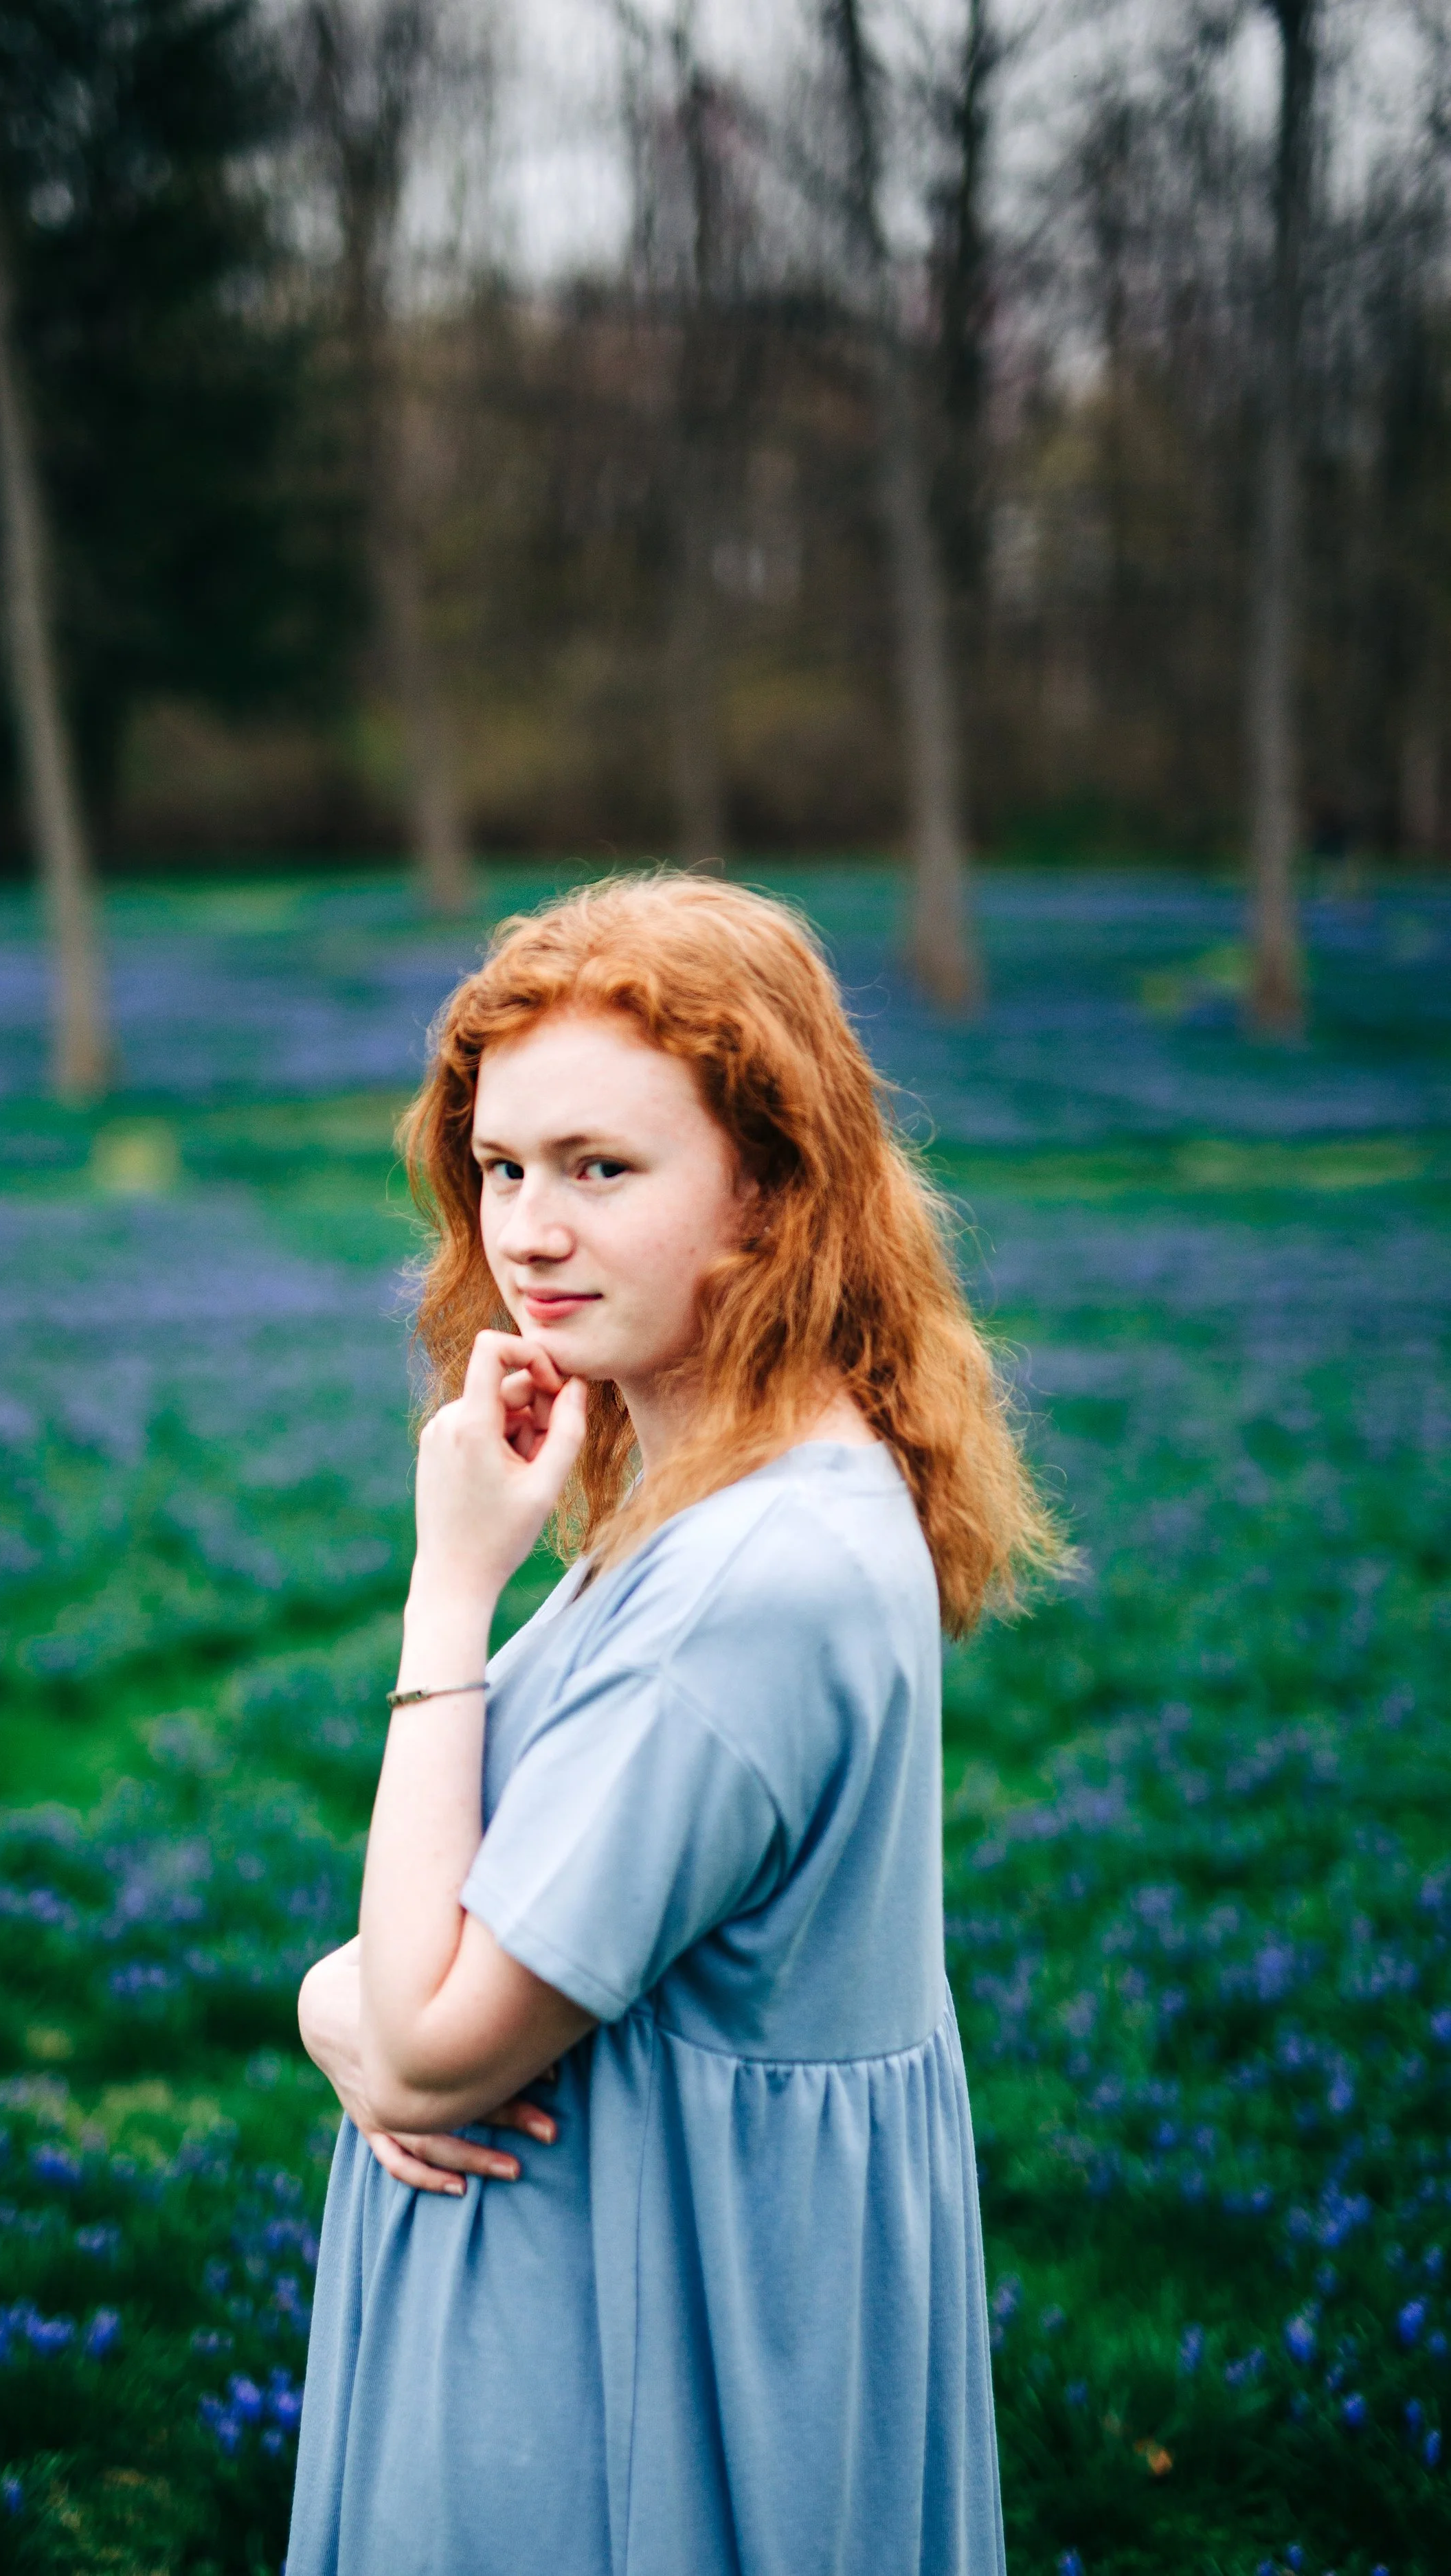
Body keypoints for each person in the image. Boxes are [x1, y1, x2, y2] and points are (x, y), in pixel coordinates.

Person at [287, 874, 1060, 2576]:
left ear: (767, 1192)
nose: (527, 1232)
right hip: (639, 2324)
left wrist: (445, 1598)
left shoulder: (745, 1590)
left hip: (618, 2399)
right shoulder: (752, 1490)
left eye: (601, 1169)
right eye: (501, 1166)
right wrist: (358, 2010)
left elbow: (427, 2047)